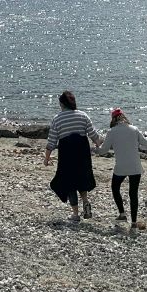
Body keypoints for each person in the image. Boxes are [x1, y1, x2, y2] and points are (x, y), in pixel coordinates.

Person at [44, 90, 102, 222]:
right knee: (81, 178)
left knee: (70, 182)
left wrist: (46, 158)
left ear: (61, 104)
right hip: (82, 151)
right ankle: (86, 201)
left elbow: (51, 142)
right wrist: (99, 145)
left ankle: (75, 214)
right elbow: (94, 135)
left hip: (67, 152)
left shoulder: (57, 119)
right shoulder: (83, 115)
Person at [100, 108, 147, 230]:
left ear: (113, 119)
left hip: (121, 167)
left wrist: (95, 149)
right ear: (124, 117)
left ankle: (122, 214)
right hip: (135, 167)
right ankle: (134, 222)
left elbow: (104, 150)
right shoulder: (134, 129)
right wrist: (138, 147)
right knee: (133, 193)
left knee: (115, 188)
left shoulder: (111, 132)